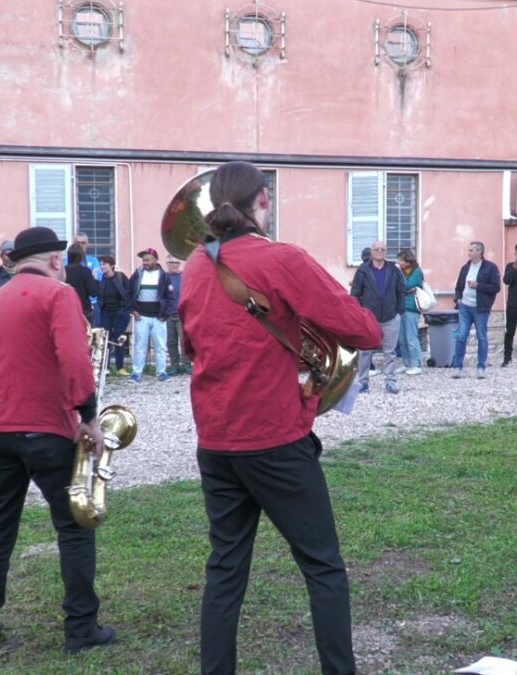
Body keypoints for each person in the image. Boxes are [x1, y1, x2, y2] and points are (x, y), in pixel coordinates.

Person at [178, 161, 380, 675]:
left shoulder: (196, 266)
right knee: (323, 568)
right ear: (262, 202)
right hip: (274, 437)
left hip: (216, 440)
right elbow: (363, 331)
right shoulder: (282, 258)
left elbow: (190, 344)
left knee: (225, 569)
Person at [0, 226, 113, 655]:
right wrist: (88, 416)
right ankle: (81, 629)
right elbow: (74, 358)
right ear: (54, 261)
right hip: (46, 427)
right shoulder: (58, 294)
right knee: (74, 527)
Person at [350, 240, 406, 394]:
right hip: (369, 318)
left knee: (390, 351)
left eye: (383, 249)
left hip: (390, 317)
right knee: (365, 351)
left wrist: (399, 311)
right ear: (372, 252)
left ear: (386, 252)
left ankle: (391, 382)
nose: (380, 252)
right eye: (377, 249)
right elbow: (355, 293)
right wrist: (360, 313)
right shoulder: (363, 270)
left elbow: (401, 291)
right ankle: (363, 383)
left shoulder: (394, 270)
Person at [452, 241, 501, 379]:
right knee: (461, 336)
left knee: (482, 337)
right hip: (465, 307)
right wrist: (458, 299)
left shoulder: (490, 268)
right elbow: (458, 286)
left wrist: (478, 285)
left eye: (471, 250)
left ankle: (481, 367)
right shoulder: (465, 268)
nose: (468, 253)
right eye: (469, 250)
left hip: (481, 308)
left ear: (479, 252)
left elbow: (496, 287)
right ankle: (457, 366)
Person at [126, 248, 174, 382]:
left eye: (147, 260)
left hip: (159, 317)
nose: (145, 262)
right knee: (140, 346)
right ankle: (136, 373)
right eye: (143, 260)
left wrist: (164, 316)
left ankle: (161, 372)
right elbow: (128, 293)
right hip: (142, 317)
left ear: (155, 260)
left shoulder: (164, 276)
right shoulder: (137, 274)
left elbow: (171, 298)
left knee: (160, 347)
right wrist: (133, 311)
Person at [96, 255, 132, 374]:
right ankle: (105, 368)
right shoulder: (101, 279)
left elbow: (129, 293)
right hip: (105, 313)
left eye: (104, 264)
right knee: (105, 339)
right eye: (101, 264)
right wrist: (95, 279)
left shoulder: (121, 277)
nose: (102, 266)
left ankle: (120, 367)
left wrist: (127, 309)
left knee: (119, 339)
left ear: (111, 265)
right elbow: (96, 293)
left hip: (119, 313)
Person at [397, 248, 425, 375]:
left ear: (408, 261)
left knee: (411, 337)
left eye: (401, 260)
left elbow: (407, 285)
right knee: (402, 338)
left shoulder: (416, 272)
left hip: (411, 307)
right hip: (401, 306)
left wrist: (399, 279)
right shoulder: (401, 272)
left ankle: (416, 364)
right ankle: (406, 363)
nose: (399, 263)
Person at [165, 256, 192, 376]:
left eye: (176, 262)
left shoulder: (185, 276)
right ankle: (174, 365)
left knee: (184, 340)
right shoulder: (163, 277)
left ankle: (187, 364)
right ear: (167, 263)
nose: (174, 265)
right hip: (168, 314)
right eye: (171, 262)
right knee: (171, 341)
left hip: (183, 314)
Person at [69, 232, 103, 324]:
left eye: (83, 243)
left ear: (87, 245)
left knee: (93, 333)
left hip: (91, 303)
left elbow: (98, 278)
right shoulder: (66, 261)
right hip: (70, 303)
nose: (80, 245)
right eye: (77, 243)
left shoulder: (93, 260)